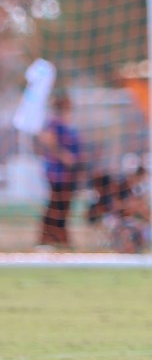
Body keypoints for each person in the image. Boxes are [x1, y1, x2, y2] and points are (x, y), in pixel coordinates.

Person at [35, 92, 81, 249]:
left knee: (65, 205)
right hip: (57, 172)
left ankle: (60, 238)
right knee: (56, 204)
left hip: (70, 173)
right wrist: (64, 156)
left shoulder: (69, 124)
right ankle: (47, 239)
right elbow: (47, 139)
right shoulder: (54, 122)